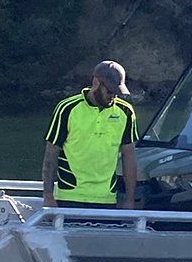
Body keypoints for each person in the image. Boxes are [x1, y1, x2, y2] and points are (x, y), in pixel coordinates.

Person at [42, 60, 139, 210]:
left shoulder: (125, 112)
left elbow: (129, 156)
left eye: (117, 92)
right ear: (96, 83)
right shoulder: (67, 108)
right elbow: (51, 154)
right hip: (69, 196)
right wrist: (48, 196)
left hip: (107, 199)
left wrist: (130, 199)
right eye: (110, 90)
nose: (113, 96)